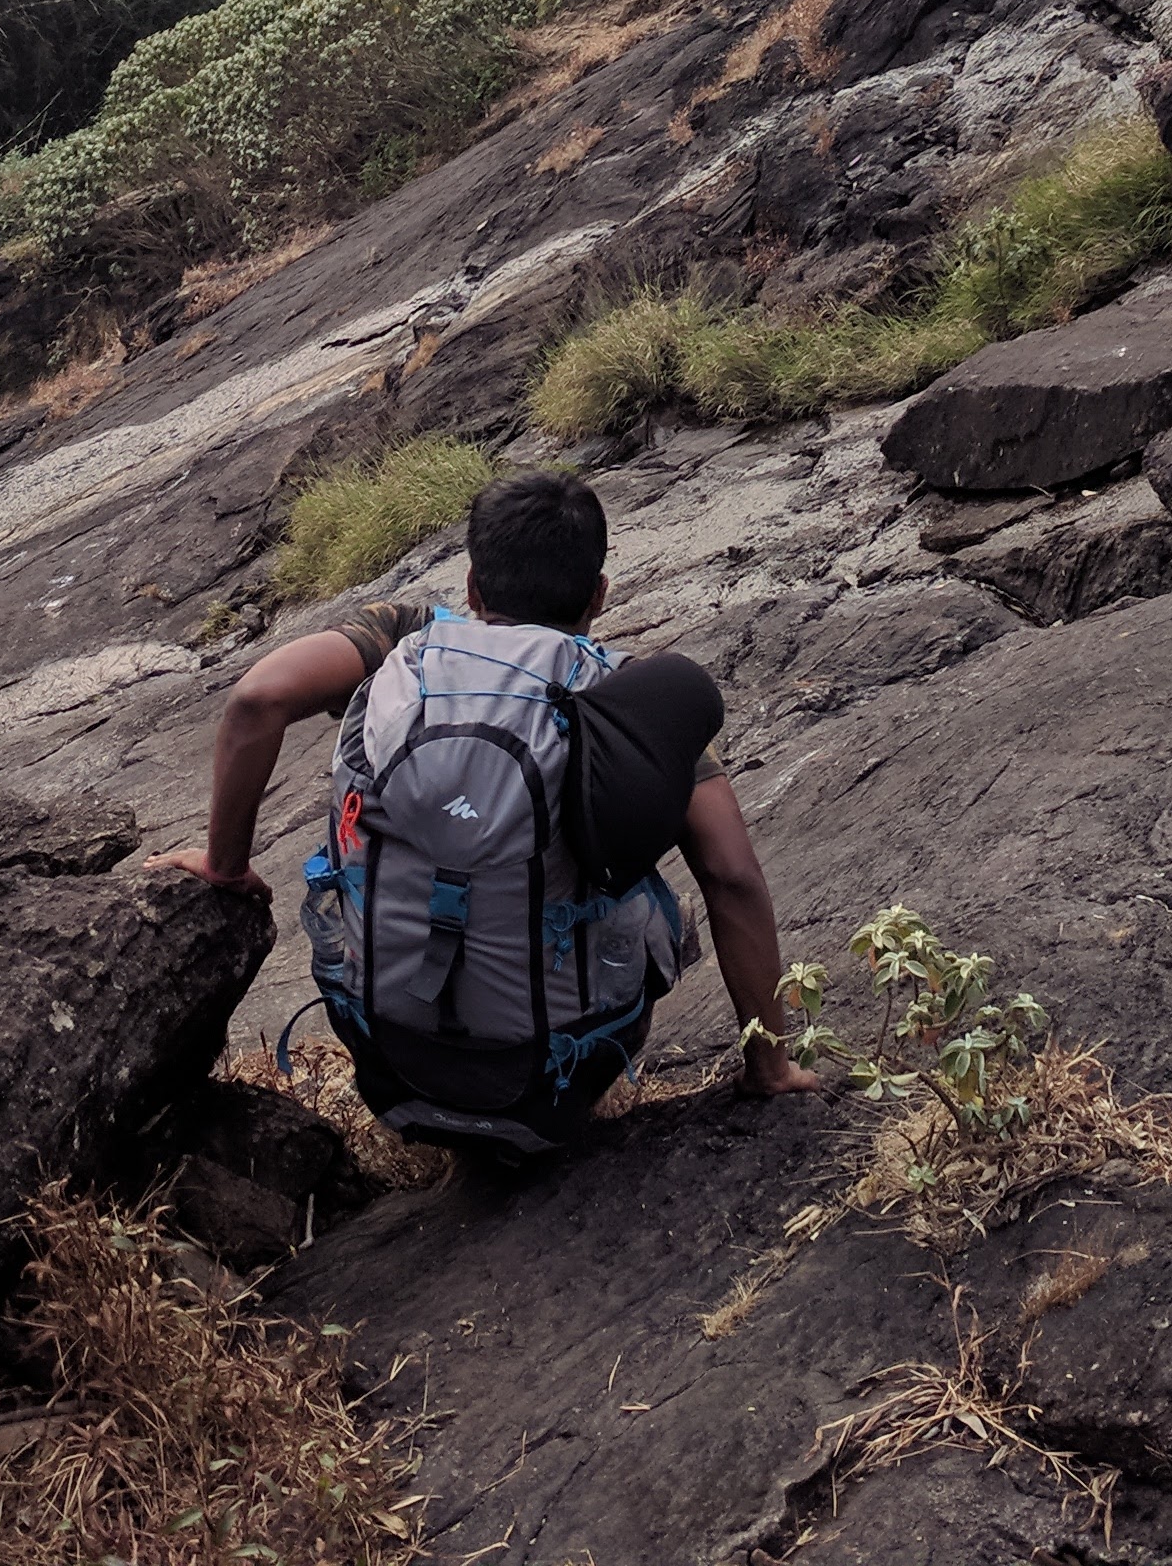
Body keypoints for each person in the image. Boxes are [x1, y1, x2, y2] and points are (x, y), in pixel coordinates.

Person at [155, 467, 818, 1148]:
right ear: (599, 594)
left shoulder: (403, 637)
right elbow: (731, 876)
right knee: (662, 909)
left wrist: (225, 865)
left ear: (472, 585)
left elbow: (256, 699)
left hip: (385, 1061)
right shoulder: (627, 702)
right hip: (551, 1084)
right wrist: (770, 1067)